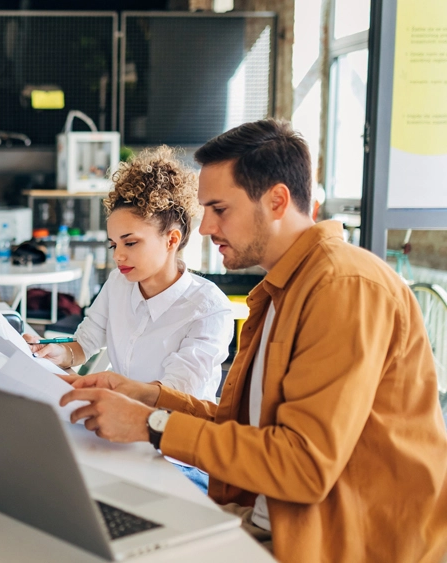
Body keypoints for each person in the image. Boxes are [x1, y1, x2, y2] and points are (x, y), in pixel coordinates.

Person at [58, 119, 447, 562]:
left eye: (220, 209)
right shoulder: (283, 289)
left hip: (330, 542)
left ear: (277, 200)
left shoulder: (344, 286)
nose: (203, 228)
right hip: (269, 518)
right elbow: (252, 430)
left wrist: (150, 423)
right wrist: (149, 396)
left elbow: (303, 466)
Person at [29, 146, 233, 403]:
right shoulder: (118, 283)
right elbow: (84, 344)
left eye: (131, 243)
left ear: (171, 240)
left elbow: (175, 395)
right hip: (118, 420)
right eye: (114, 244)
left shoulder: (208, 309)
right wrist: (55, 352)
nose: (117, 256)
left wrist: (96, 388)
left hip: (170, 431)